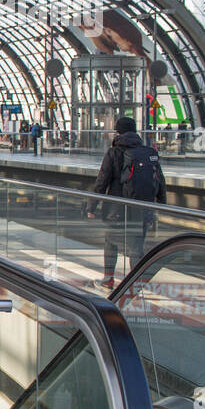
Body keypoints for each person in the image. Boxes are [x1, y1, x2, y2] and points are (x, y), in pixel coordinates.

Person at [90, 115, 166, 290]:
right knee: (136, 246)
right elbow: (160, 181)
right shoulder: (148, 153)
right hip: (143, 208)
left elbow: (102, 182)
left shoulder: (114, 152)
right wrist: (160, 204)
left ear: (117, 133)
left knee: (110, 241)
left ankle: (109, 279)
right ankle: (136, 283)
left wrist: (91, 206)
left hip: (117, 209)